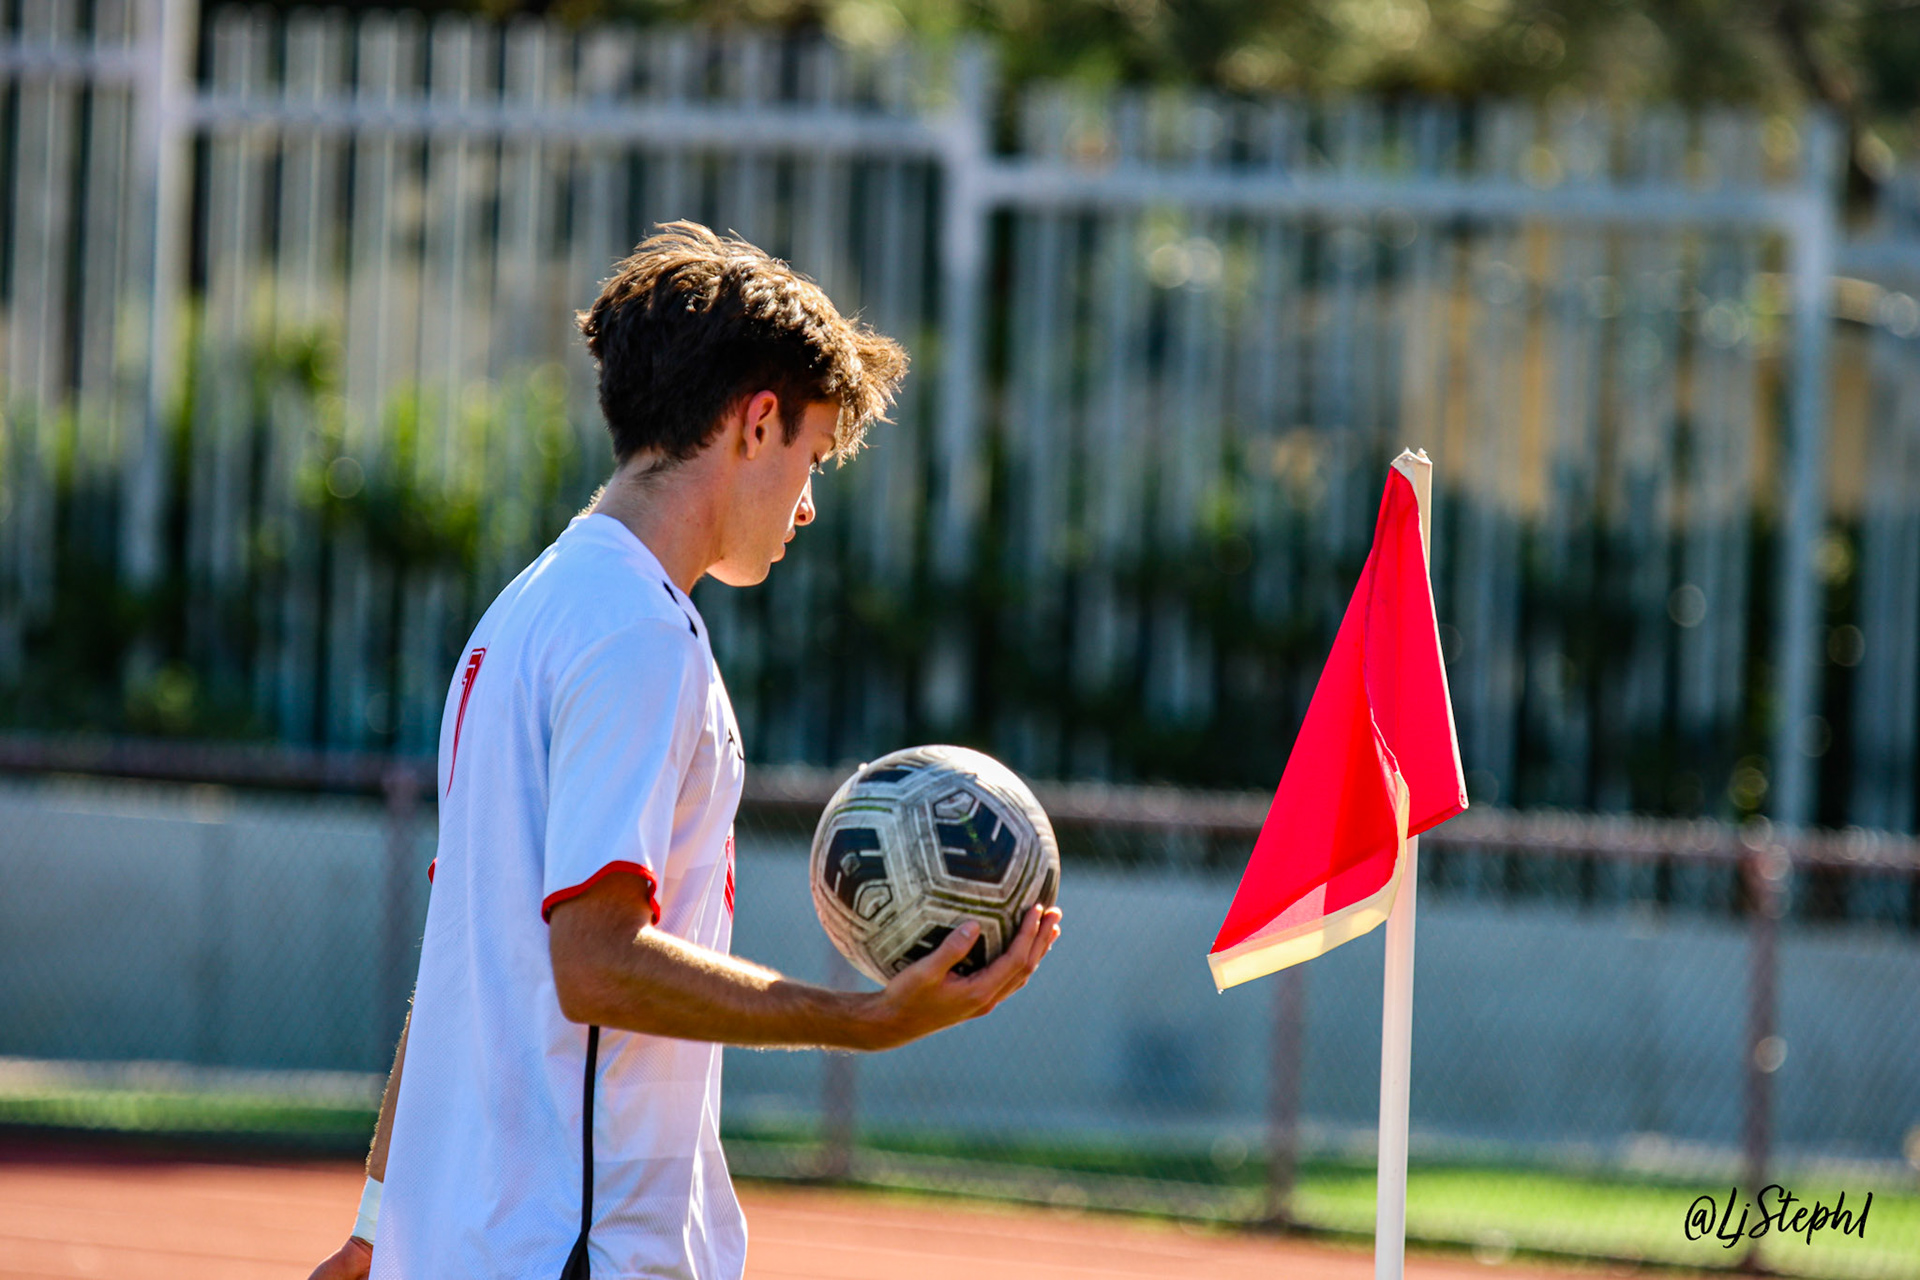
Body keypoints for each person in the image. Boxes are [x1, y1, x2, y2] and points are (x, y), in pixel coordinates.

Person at [308, 222, 1063, 1280]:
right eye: (811, 457)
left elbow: (460, 955)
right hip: (576, 1249)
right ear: (757, 421)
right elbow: (596, 963)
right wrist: (863, 1021)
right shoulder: (637, 633)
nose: (808, 503)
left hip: (473, 1243)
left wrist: (379, 1218)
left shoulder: (524, 611)